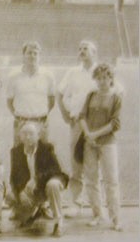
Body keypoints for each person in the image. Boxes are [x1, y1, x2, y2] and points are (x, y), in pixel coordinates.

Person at [57, 40, 124, 218]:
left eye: (85, 48)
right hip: (78, 124)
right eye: (79, 49)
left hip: (100, 127)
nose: (81, 51)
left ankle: (106, 209)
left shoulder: (101, 71)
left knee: (102, 168)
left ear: (94, 52)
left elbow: (119, 92)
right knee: (77, 163)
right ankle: (76, 203)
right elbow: (60, 93)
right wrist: (65, 115)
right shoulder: (72, 72)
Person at [78, 63, 123, 231]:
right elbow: (82, 116)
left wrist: (94, 134)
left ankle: (115, 218)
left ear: (111, 78)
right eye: (99, 78)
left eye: (106, 77)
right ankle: (97, 214)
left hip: (107, 143)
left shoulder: (116, 97)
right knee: (91, 179)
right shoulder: (91, 95)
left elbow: (115, 123)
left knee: (111, 180)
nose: (102, 81)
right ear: (95, 79)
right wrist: (88, 134)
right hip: (89, 143)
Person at [9, 122, 69, 237]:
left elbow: (56, 170)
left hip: (48, 183)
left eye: (31, 133)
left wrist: (36, 179)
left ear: (38, 135)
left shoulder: (47, 148)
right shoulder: (15, 151)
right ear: (19, 136)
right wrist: (21, 192)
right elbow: (13, 178)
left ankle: (58, 221)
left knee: (53, 184)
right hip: (32, 189)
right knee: (10, 196)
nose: (27, 137)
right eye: (24, 133)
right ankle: (35, 211)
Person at [7, 41, 55, 145]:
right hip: (21, 122)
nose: (32, 56)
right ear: (23, 55)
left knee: (42, 158)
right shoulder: (13, 76)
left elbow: (51, 100)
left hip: (41, 123)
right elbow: (9, 102)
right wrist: (20, 116)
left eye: (35, 53)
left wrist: (40, 114)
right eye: (29, 53)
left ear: (39, 56)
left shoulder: (48, 76)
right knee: (19, 157)